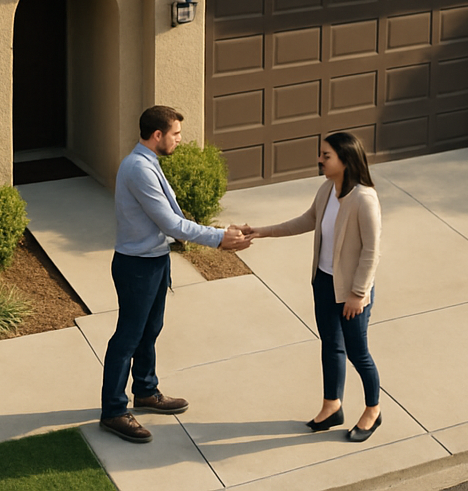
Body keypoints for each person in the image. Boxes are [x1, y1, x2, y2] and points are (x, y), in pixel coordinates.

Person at [99, 104, 253, 444]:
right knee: (127, 337)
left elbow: (172, 216)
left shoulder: (148, 163)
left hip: (153, 260)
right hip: (136, 266)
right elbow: (170, 223)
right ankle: (112, 410)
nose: (180, 140)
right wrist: (218, 238)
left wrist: (223, 231)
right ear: (158, 135)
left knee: (150, 330)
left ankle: (146, 391)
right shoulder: (138, 168)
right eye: (176, 134)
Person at [241, 132, 382, 442]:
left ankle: (373, 410)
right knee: (330, 346)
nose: (320, 159)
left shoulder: (363, 198)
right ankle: (332, 405)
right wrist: (261, 232)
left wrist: (358, 294)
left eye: (326, 155)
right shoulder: (327, 191)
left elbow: (371, 251)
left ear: (345, 161)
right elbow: (306, 221)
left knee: (359, 354)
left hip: (351, 291)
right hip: (324, 282)